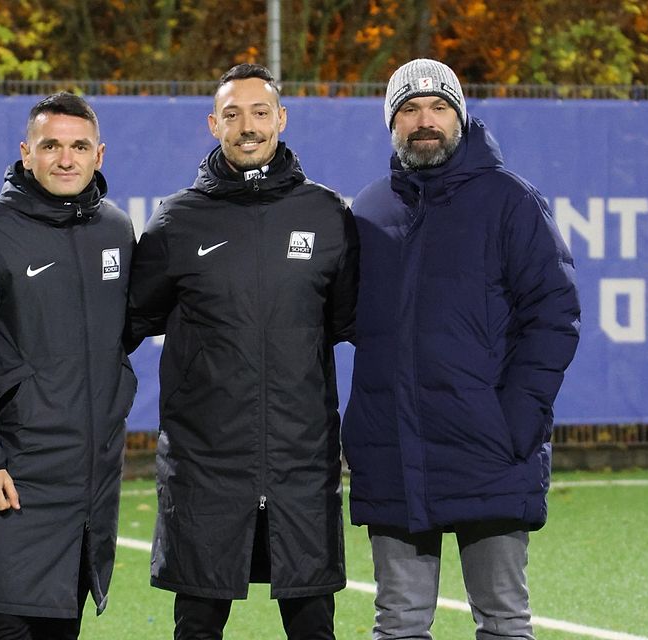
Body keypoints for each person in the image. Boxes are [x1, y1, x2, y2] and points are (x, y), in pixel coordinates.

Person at [342, 59, 581, 639]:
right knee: (398, 622)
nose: (425, 121)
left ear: (461, 116)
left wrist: (515, 422)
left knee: (502, 621)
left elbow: (554, 315)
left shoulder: (511, 201)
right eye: (408, 110)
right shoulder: (368, 209)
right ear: (391, 124)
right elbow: (336, 318)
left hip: (490, 451)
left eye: (439, 107)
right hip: (394, 451)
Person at [128, 63, 359, 640]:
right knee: (197, 627)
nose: (247, 125)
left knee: (312, 627)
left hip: (299, 463)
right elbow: (133, 319)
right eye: (232, 114)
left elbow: (343, 321)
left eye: (260, 112)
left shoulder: (327, 215)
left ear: (281, 119)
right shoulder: (176, 221)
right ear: (214, 124)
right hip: (204, 468)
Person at [0, 92, 137, 640]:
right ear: (26, 153)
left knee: (62, 627)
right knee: (11, 622)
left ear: (100, 155)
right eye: (51, 146)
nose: (65, 158)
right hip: (13, 476)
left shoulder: (116, 229)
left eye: (79, 146)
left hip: (88, 482)